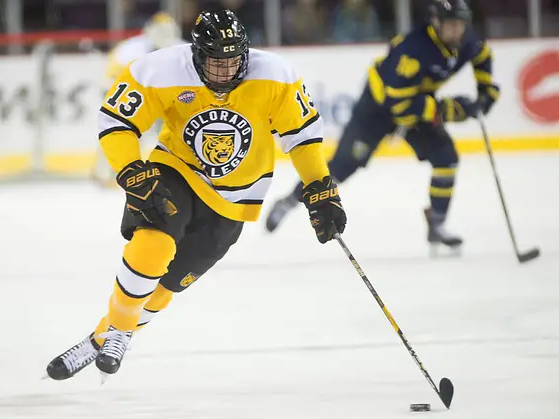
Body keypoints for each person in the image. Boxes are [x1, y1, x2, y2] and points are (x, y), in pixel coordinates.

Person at [46, 9, 347, 379]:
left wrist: (321, 187)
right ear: (196, 54)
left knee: (168, 284)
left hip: (237, 199)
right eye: (216, 62)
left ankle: (99, 339)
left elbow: (301, 136)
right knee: (153, 244)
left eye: (233, 61)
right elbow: (117, 121)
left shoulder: (275, 76)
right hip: (178, 171)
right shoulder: (159, 70)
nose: (225, 71)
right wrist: (131, 171)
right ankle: (121, 332)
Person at [265, 0, 499, 251]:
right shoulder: (413, 50)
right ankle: (289, 200)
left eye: (460, 25)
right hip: (377, 109)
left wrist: (486, 90)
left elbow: (482, 55)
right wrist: (448, 110)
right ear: (436, 22)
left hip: (415, 104)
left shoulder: (465, 41)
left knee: (447, 159)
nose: (456, 31)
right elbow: (401, 106)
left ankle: (437, 224)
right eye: (451, 25)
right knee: (341, 168)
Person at [93, 11, 186, 185]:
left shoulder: (180, 47)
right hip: (135, 99)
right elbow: (112, 77)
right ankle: (107, 172)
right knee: (120, 131)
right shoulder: (131, 48)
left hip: (166, 99)